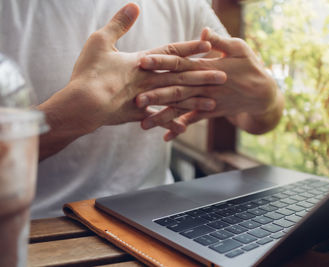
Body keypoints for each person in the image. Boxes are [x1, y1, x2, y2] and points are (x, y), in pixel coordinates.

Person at [0, 0, 283, 219]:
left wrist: (266, 100)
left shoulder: (181, 4)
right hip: (33, 229)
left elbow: (259, 121)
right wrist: (69, 117)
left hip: (158, 220)